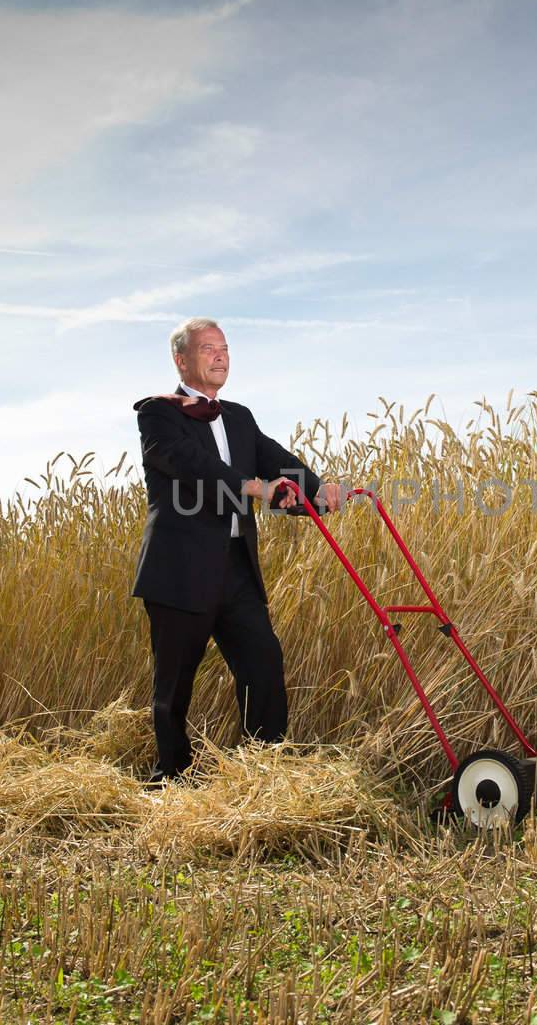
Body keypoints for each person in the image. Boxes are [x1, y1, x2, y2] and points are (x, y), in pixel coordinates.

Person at [132, 317, 346, 781]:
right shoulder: (158, 413)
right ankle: (171, 775)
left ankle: (263, 772)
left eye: (224, 347)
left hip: (235, 569)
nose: (220, 355)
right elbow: (192, 465)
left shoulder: (240, 416)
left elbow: (278, 461)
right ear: (181, 359)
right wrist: (252, 487)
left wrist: (319, 487)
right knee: (174, 683)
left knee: (263, 661)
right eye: (208, 348)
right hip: (180, 570)